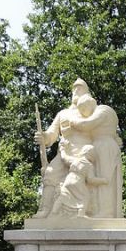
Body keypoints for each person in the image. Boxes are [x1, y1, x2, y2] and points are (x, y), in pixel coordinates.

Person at [33, 78, 93, 218]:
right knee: (50, 173)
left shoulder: (90, 111)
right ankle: (45, 210)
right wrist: (44, 137)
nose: (76, 91)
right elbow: (52, 134)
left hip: (84, 152)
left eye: (80, 88)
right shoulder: (63, 114)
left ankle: (84, 210)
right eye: (74, 88)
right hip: (64, 152)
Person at [72, 93, 123, 218]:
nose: (84, 113)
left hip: (105, 146)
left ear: (90, 103)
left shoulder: (103, 110)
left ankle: (106, 211)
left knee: (104, 178)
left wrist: (73, 122)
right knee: (99, 178)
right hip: (100, 145)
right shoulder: (99, 112)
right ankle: (100, 210)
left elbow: (87, 124)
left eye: (83, 109)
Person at [51, 142, 108, 217]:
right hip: (78, 181)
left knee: (63, 196)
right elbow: (90, 180)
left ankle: (53, 212)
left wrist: (62, 149)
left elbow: (64, 158)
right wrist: (103, 180)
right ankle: (80, 215)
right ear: (90, 153)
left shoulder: (75, 160)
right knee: (85, 197)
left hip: (68, 180)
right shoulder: (89, 165)